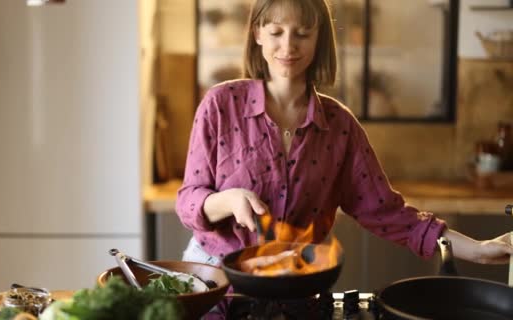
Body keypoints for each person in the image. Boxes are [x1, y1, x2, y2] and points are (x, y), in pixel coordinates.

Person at [176, 0, 513, 317]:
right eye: (276, 32)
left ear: (320, 36)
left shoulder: (340, 127)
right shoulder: (220, 105)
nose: (288, 46)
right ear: (258, 34)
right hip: (215, 285)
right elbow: (189, 201)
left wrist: (480, 250)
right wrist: (228, 200)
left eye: (303, 33)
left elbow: (392, 215)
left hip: (297, 291)